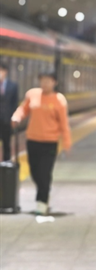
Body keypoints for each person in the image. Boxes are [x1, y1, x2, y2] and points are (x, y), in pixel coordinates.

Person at [11, 72, 71, 216]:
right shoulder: (32, 94)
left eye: (48, 81)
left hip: (50, 142)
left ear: (54, 82)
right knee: (34, 171)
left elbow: (64, 123)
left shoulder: (59, 100)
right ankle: (42, 192)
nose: (45, 84)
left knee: (44, 172)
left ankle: (42, 201)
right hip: (32, 140)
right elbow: (23, 109)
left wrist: (67, 141)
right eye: (42, 81)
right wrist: (17, 117)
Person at [0, 62, 19, 161]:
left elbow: (14, 104)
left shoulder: (13, 86)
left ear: (5, 71)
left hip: (7, 121)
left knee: (6, 144)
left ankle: (6, 164)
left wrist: (13, 118)